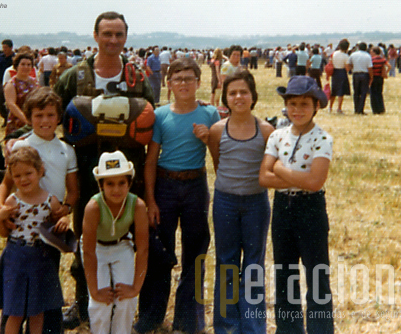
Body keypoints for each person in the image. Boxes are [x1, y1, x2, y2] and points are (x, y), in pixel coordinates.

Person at [53, 11, 154, 329]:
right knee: (86, 234)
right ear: (95, 36)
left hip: (128, 171)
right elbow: (55, 115)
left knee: (129, 235)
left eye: (119, 35)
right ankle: (84, 303)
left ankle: (126, 299)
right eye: (107, 34)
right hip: (85, 169)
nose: (113, 40)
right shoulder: (74, 77)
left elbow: (150, 120)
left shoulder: (137, 77)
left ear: (126, 38)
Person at [134, 57, 220, 334]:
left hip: (196, 185)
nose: (184, 83)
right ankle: (151, 315)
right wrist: (151, 201)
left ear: (198, 83)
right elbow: (151, 160)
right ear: (169, 84)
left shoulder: (209, 115)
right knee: (160, 253)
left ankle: (189, 318)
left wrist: (209, 139)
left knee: (196, 254)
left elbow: (219, 156)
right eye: (178, 79)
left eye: (189, 78)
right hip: (165, 186)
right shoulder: (160, 116)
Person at [0, 86, 79, 334]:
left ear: (58, 117)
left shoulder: (67, 150)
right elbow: (6, 183)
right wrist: (0, 207)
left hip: (48, 233)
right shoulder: (20, 145)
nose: (45, 121)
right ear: (29, 116)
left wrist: (65, 209)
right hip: (21, 229)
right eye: (38, 115)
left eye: (50, 115)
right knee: (15, 298)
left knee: (45, 291)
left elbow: (73, 190)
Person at [259, 76, 334, 334]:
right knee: (285, 274)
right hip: (282, 209)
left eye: (304, 104)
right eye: (292, 104)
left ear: (316, 106)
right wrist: (294, 177)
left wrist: (279, 168)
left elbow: (315, 182)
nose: (297, 110)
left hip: (310, 209)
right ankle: (288, 329)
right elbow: (263, 177)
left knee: (317, 274)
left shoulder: (322, 139)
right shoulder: (278, 136)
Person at [208, 69, 274, 334]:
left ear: (253, 95)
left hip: (256, 203)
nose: (238, 97)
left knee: (254, 264)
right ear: (225, 97)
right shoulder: (217, 130)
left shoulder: (266, 131)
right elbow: (218, 163)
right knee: (226, 261)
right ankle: (226, 326)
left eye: (243, 92)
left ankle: (253, 326)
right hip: (225, 202)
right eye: (232, 92)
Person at [0, 146, 68, 334]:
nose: (23, 179)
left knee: (37, 312)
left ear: (40, 171)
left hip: (42, 258)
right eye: (17, 176)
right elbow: (4, 233)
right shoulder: (13, 202)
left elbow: (59, 220)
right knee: (14, 312)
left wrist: (64, 219)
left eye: (28, 173)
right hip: (17, 257)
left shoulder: (50, 201)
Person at [82, 151, 149, 334]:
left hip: (121, 246)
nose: (116, 189)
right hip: (96, 249)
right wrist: (95, 290)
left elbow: (142, 250)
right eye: (109, 183)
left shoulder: (137, 205)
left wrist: (135, 288)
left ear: (129, 183)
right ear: (101, 185)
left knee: (126, 300)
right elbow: (87, 251)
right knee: (100, 303)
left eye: (122, 183)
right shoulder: (94, 207)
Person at [4, 52, 39, 136]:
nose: (26, 67)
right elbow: (11, 104)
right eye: (23, 64)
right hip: (18, 123)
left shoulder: (34, 82)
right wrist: (26, 121)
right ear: (17, 66)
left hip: (34, 121)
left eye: (28, 64)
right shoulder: (11, 84)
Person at [348, 42, 373, 115]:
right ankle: (360, 109)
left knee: (356, 92)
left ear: (358, 47)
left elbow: (349, 64)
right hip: (364, 75)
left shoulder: (353, 54)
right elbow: (370, 68)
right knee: (363, 93)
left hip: (355, 74)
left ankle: (356, 109)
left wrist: (353, 68)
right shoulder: (367, 56)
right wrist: (371, 77)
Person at [328, 39, 351, 114]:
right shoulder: (345, 56)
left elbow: (330, 62)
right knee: (341, 91)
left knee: (334, 91)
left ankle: (330, 107)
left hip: (334, 72)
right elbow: (347, 68)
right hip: (342, 72)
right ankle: (339, 108)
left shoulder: (334, 53)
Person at [370, 46, 391, 115]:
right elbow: (389, 66)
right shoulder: (382, 59)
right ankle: (381, 108)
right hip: (380, 78)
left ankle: (375, 109)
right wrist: (385, 72)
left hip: (374, 77)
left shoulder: (372, 60)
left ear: (374, 52)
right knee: (379, 93)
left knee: (373, 94)